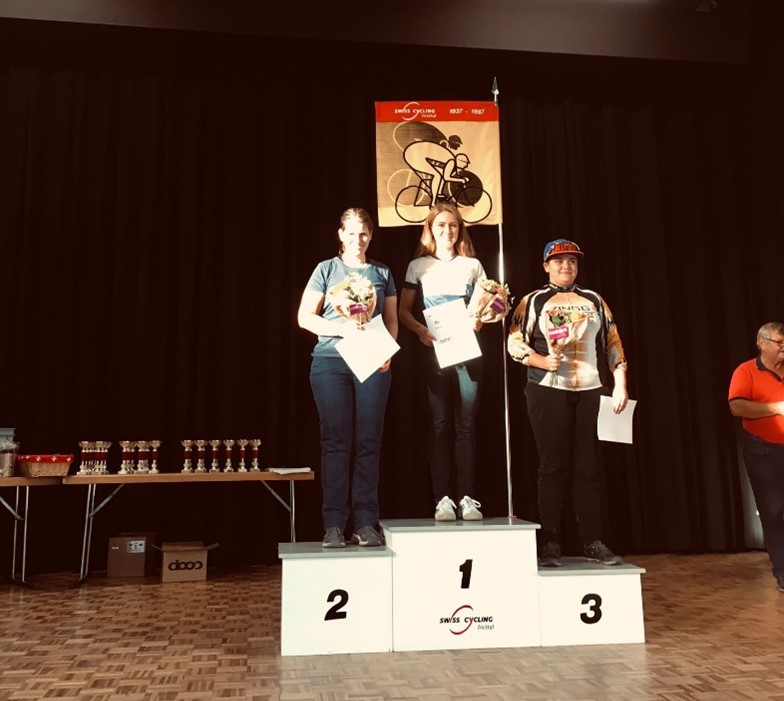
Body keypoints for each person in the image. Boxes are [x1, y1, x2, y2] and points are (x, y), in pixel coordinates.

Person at [507, 238, 628, 567]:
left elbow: (612, 341)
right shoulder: (533, 300)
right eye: (559, 261)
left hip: (590, 388)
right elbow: (514, 340)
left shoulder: (594, 299)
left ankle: (592, 541)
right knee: (553, 466)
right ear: (546, 265)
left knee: (588, 467)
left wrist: (620, 383)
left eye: (572, 261)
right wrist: (539, 360)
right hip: (548, 388)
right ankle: (550, 541)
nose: (566, 266)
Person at [297, 207, 398, 548]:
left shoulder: (382, 271)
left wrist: (388, 350)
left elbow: (391, 319)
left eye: (364, 233)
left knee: (369, 442)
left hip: (371, 361)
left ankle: (366, 523)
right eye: (352, 233)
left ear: (371, 235)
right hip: (330, 362)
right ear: (341, 235)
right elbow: (304, 317)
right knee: (336, 442)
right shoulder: (326, 269)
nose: (358, 239)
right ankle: (333, 525)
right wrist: (341, 329)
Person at [398, 202, 487, 521]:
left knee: (466, 424)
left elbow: (486, 307)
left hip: (467, 351)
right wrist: (420, 330)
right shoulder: (418, 266)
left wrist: (480, 319)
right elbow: (403, 311)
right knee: (439, 424)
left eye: (453, 225)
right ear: (430, 230)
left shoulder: (473, 265)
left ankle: (467, 497)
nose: (447, 231)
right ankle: (443, 499)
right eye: (441, 225)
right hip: (433, 350)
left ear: (460, 229)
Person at [728, 322, 784, 593]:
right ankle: (782, 570)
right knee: (773, 512)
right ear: (762, 343)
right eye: (779, 343)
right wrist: (776, 408)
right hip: (764, 453)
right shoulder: (746, 370)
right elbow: (737, 407)